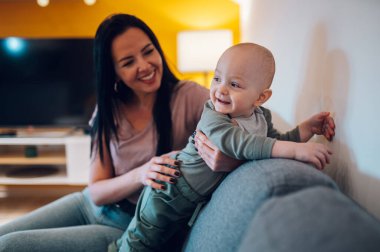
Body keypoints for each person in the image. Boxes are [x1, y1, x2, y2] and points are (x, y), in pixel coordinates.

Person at [0, 14, 239, 252]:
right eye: (128, 62)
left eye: (148, 51)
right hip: (86, 205)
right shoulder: (108, 109)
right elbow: (96, 191)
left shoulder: (188, 96)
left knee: (11, 245)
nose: (144, 66)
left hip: (128, 226)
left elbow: (243, 133)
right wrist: (141, 173)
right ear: (114, 72)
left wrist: (229, 160)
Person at [115, 43, 336, 252]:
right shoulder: (213, 116)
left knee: (166, 243)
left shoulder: (261, 118)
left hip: (190, 201)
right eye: (217, 78)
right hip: (167, 192)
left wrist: (306, 129)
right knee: (141, 242)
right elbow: (242, 144)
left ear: (261, 97)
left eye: (234, 84)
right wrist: (296, 151)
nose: (220, 89)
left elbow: (276, 141)